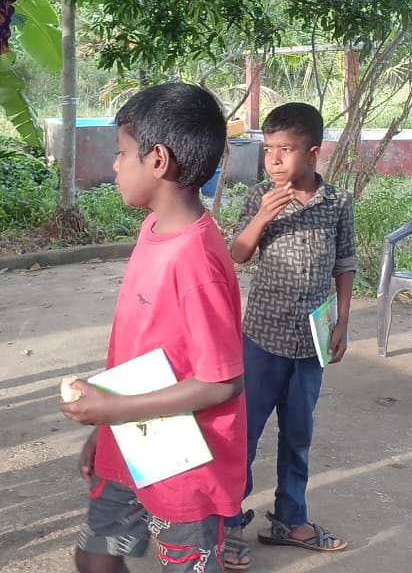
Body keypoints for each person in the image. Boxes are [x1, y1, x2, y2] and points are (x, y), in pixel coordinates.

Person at [58, 82, 245, 573]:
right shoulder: (153, 230)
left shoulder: (196, 260)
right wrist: (107, 425)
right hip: (132, 441)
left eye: (122, 153)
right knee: (96, 557)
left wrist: (112, 409)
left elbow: (221, 382)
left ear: (158, 160)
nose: (115, 164)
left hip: (185, 464)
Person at [222, 102, 355, 568]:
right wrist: (262, 216)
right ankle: (227, 521)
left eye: (286, 150)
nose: (274, 160)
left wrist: (342, 321)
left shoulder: (337, 202)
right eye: (268, 150)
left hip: (311, 341)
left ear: (313, 153)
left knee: (298, 432)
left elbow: (345, 261)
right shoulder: (260, 196)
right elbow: (238, 253)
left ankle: (290, 517)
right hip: (262, 338)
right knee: (245, 432)